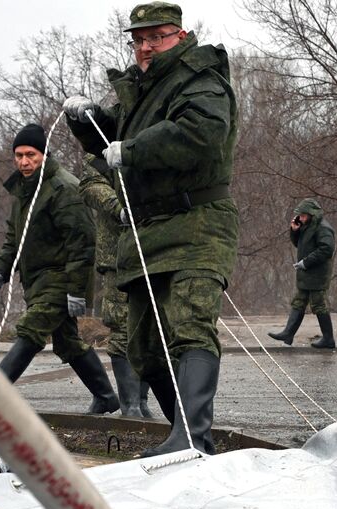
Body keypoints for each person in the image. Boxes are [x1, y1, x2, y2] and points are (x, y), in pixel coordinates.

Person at [64, 1, 238, 456]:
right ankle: (182, 433)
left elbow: (199, 134)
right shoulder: (141, 90)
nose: (145, 47)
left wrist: (133, 148)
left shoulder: (200, 80)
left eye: (155, 37)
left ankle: (192, 438)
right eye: (138, 39)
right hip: (148, 230)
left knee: (190, 327)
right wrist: (89, 126)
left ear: (179, 36)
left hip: (198, 222)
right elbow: (114, 143)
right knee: (143, 346)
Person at [0, 124, 117, 414]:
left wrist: (74, 291)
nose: (24, 161)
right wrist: (1, 270)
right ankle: (106, 396)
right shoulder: (25, 190)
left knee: (30, 330)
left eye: (30, 155)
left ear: (44, 155)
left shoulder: (63, 188)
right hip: (38, 280)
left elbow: (83, 244)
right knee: (68, 342)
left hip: (60, 279)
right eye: (19, 155)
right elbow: (14, 237)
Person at [78, 153, 151, 416]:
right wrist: (119, 207)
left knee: (151, 330)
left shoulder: (155, 131)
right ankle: (130, 405)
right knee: (121, 328)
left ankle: (142, 401)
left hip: (157, 250)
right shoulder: (105, 143)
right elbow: (90, 184)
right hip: (118, 255)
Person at [270, 198, 336, 349]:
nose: (301, 218)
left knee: (319, 305)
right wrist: (294, 231)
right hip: (306, 273)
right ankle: (288, 333)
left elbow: (326, 250)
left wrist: (306, 262)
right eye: (300, 215)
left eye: (304, 215)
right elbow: (299, 244)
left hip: (318, 274)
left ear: (312, 214)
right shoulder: (307, 227)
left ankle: (328, 339)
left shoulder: (323, 228)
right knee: (299, 302)